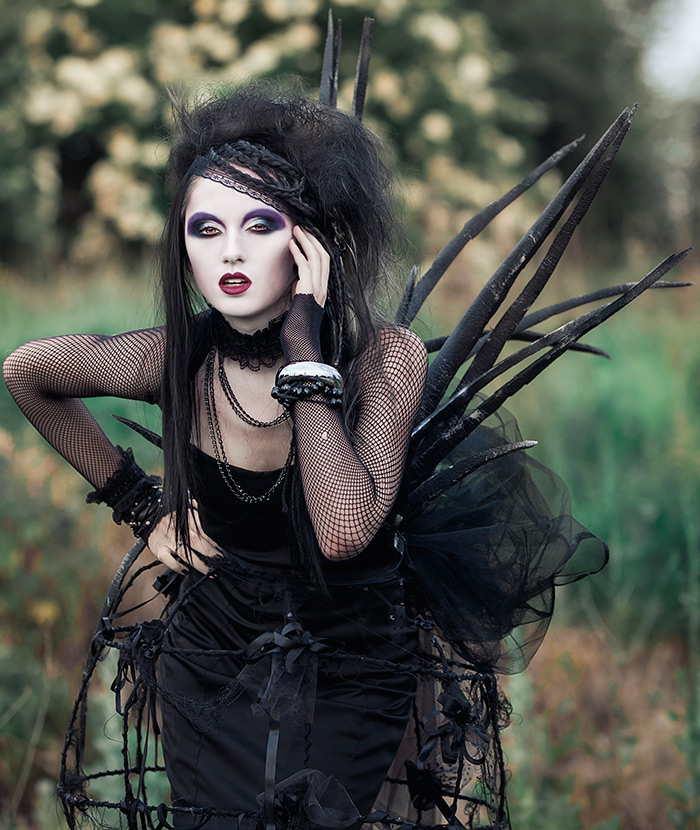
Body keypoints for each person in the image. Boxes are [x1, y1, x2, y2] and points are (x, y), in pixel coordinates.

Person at [5, 57, 648, 830]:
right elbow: (26, 371)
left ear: (310, 243)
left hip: (352, 656)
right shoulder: (177, 360)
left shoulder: (383, 358)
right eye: (206, 229)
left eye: (259, 226)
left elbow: (343, 530)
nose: (230, 253)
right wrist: (142, 506)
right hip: (212, 647)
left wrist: (304, 353)